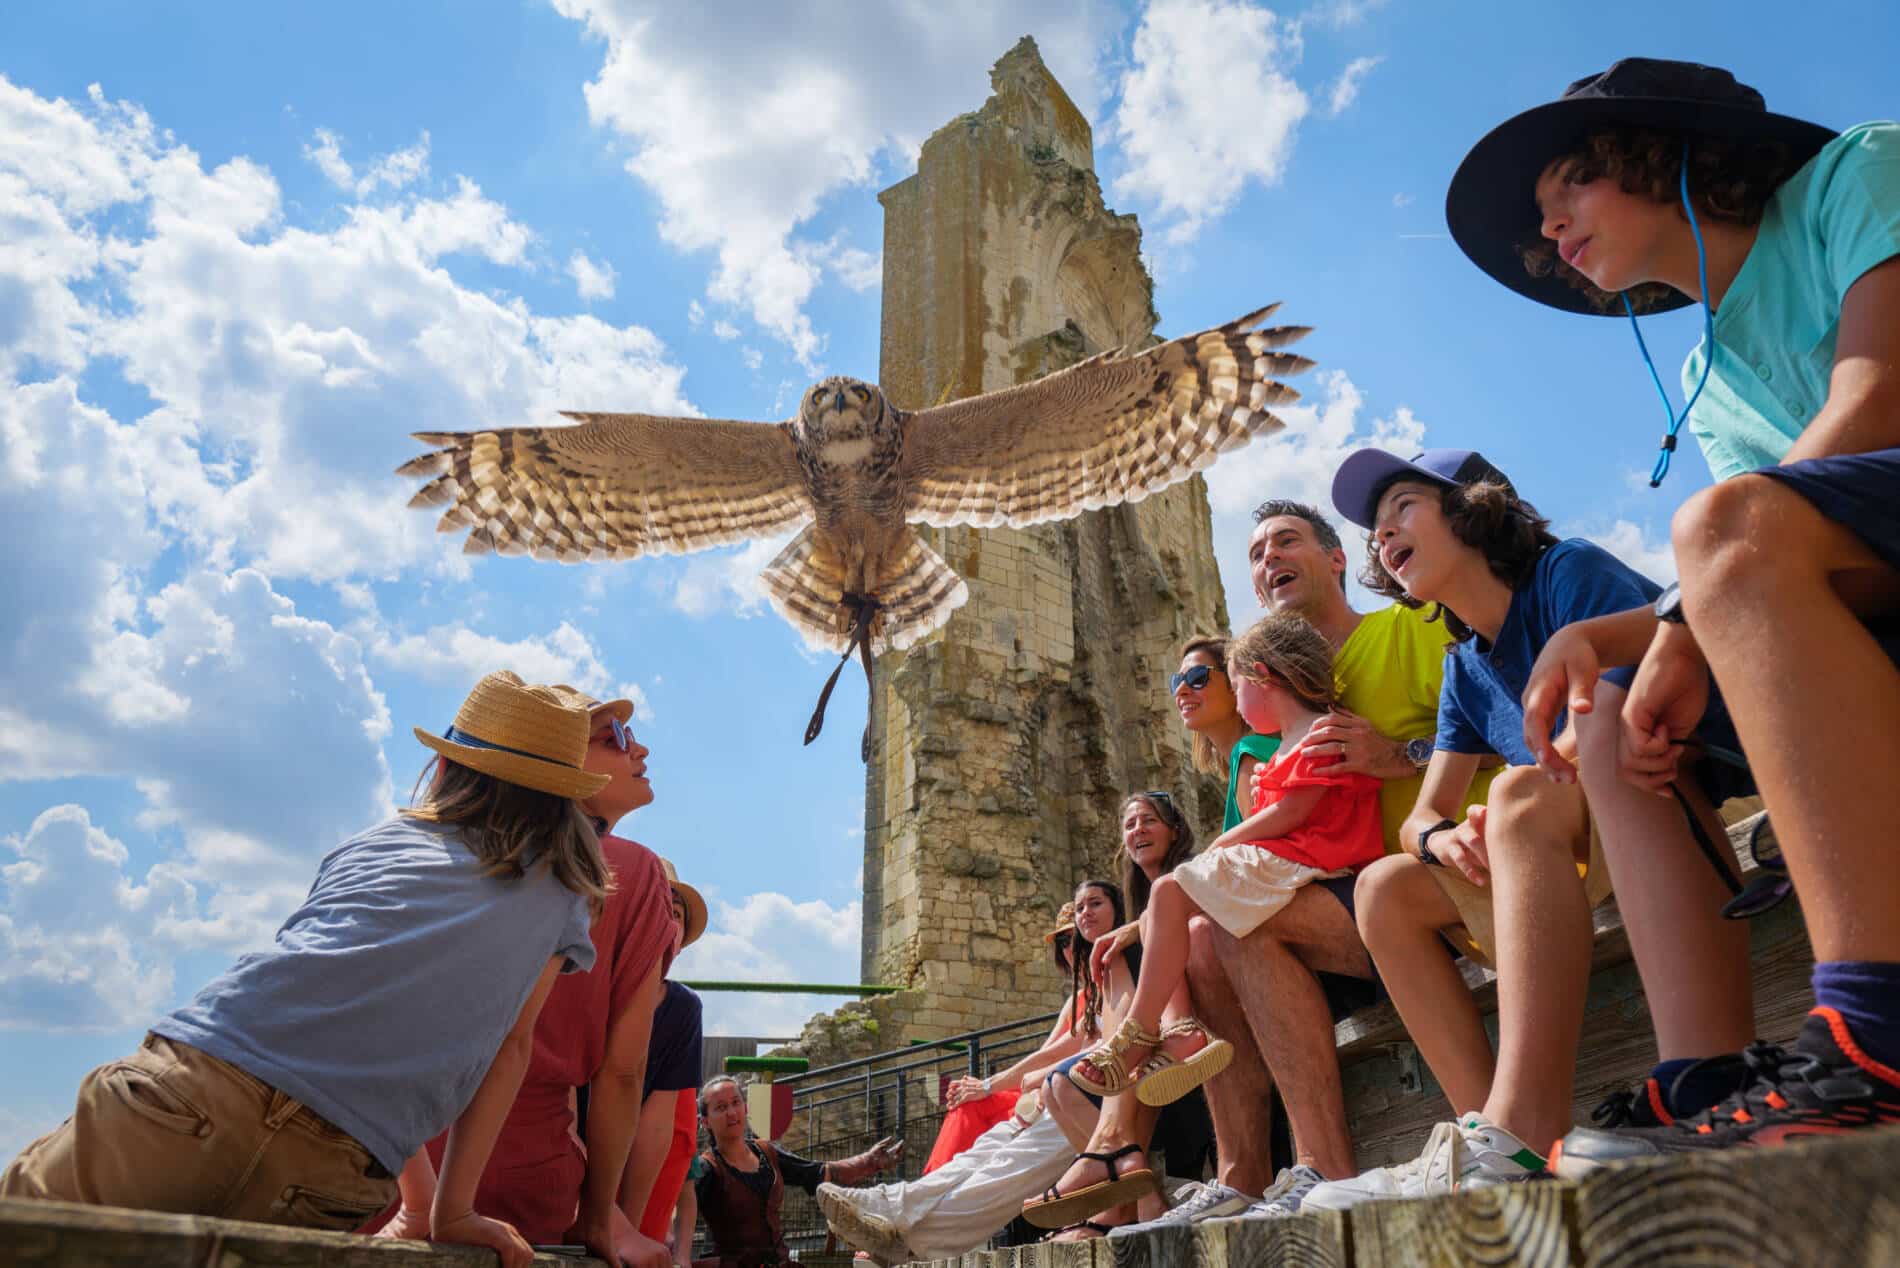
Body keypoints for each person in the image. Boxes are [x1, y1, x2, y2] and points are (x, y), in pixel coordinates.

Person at [1445, 56, 1900, 1169]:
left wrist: (1683, 617)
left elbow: (1878, 396)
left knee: (1712, 533)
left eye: (1572, 185)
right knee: (1600, 701)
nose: (1549, 228)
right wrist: (1608, 641)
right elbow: (1760, 558)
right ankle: (1705, 1065)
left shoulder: (1860, 169)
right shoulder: (1709, 362)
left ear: (1667, 155)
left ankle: (1873, 1032)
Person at [0, 671, 612, 1268]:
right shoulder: (562, 891)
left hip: (195, 1077)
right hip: (334, 1160)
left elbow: (330, 984)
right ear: (565, 800)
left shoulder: (374, 842)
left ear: (446, 768)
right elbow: (506, 1047)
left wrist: (420, 1196)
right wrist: (446, 1211)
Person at [1299, 449, 1741, 1209]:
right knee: (1384, 888)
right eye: (1375, 528)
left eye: (1403, 505)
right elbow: (1426, 816)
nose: (1383, 534)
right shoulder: (1464, 667)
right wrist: (1444, 838)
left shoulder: (1566, 572)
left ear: (1472, 508)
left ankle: (1522, 1127)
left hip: (1666, 802)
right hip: (1572, 833)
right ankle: (1492, 1137)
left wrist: (1503, 802)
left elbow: (1627, 710)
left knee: (1518, 798)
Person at [1158, 501, 1493, 1229]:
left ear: (1337, 559)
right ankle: (1244, 1174)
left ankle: (1322, 1164)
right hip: (1352, 903)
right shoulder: (1276, 710)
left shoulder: (1412, 628)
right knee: (1202, 941)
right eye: (1255, 552)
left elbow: (1509, 718)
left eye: (1287, 540)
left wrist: (1396, 754)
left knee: (1239, 916)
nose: (1269, 557)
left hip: (1439, 882)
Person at [371, 689, 675, 1267]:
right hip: (528, 1181)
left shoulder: (421, 853)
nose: (639, 749)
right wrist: (605, 1216)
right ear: (553, 764)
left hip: (390, 1159)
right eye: (613, 737)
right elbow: (621, 1073)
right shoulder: (632, 873)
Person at [1068, 615, 1382, 1122]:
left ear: (1252, 681)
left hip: (1316, 881)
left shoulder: (1261, 750)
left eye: (1202, 679)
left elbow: (1283, 823)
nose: (1183, 691)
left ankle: (1154, 1037)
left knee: (1173, 905)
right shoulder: (1267, 751)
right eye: (1178, 682)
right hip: (1303, 879)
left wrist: (1215, 852)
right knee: (1167, 908)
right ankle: (1156, 1047)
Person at [818, 886, 1123, 1264]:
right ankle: (892, 1211)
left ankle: (905, 1239)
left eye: (1095, 906)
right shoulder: (1092, 988)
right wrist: (1021, 1081)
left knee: (1004, 1164)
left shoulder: (1123, 965)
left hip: (1103, 1097)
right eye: (1066, 934)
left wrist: (1033, 1080)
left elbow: (1114, 1042)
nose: (1069, 946)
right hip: (1068, 1092)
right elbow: (1057, 1050)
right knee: (984, 1150)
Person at [1021, 795, 1224, 1239]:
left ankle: (1123, 1182)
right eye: (1129, 824)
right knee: (1059, 1082)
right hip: (1154, 1060)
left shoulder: (1193, 875)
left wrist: (1134, 929)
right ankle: (1125, 1182)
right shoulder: (1142, 906)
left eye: (1149, 821)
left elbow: (1201, 916)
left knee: (1073, 1073)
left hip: (1207, 1026)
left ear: (1175, 829)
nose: (1137, 830)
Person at [921, 900, 1089, 1174]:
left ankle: (929, 1189)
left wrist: (987, 1085)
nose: (1070, 948)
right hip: (1046, 1086)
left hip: (1069, 1088)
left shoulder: (1108, 991)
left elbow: (1057, 1055)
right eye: (1062, 941)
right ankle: (931, 1185)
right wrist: (980, 1087)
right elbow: (1043, 1055)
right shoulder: (1075, 1001)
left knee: (975, 1104)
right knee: (969, 1104)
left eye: (1075, 938)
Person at [692, 1076, 902, 1268]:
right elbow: (678, 1215)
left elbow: (819, 1172)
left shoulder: (767, 1152)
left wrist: (869, 1162)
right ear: (705, 1121)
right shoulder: (706, 1168)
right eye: (720, 1107)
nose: (731, 1112)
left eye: (736, 1102)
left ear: (745, 1107)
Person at [616, 860, 709, 1248]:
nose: (668, 924)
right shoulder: (585, 984)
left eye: (676, 915)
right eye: (658, 909)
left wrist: (629, 1231)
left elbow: (661, 1132)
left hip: (637, 1185)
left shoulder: (682, 1009)